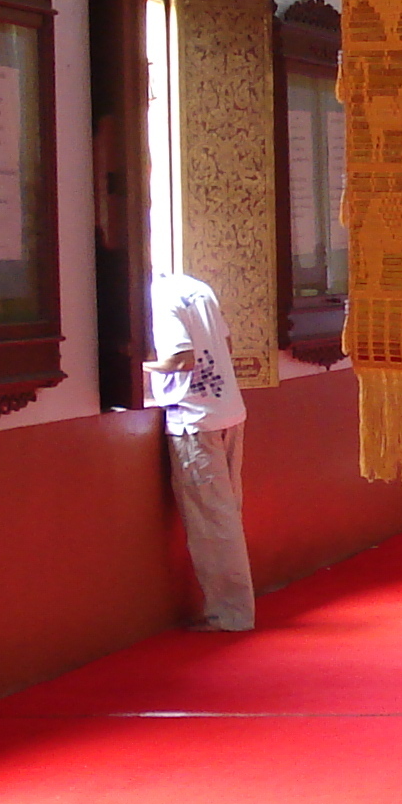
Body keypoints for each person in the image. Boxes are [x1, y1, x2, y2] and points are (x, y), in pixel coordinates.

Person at [145, 271, 254, 632]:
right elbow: (227, 345)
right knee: (227, 512)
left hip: (194, 417)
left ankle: (231, 615)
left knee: (212, 522)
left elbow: (181, 360)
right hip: (229, 410)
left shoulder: (159, 299)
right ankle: (237, 607)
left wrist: (138, 367)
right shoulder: (195, 287)